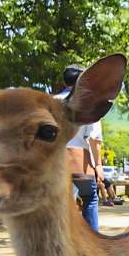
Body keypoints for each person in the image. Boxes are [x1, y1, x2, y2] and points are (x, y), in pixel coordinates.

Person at [54, 64, 104, 232]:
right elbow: (94, 139)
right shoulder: (87, 104)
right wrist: (98, 167)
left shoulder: (50, 103)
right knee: (90, 199)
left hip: (55, 163)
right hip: (80, 163)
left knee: (58, 204)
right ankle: (93, 241)